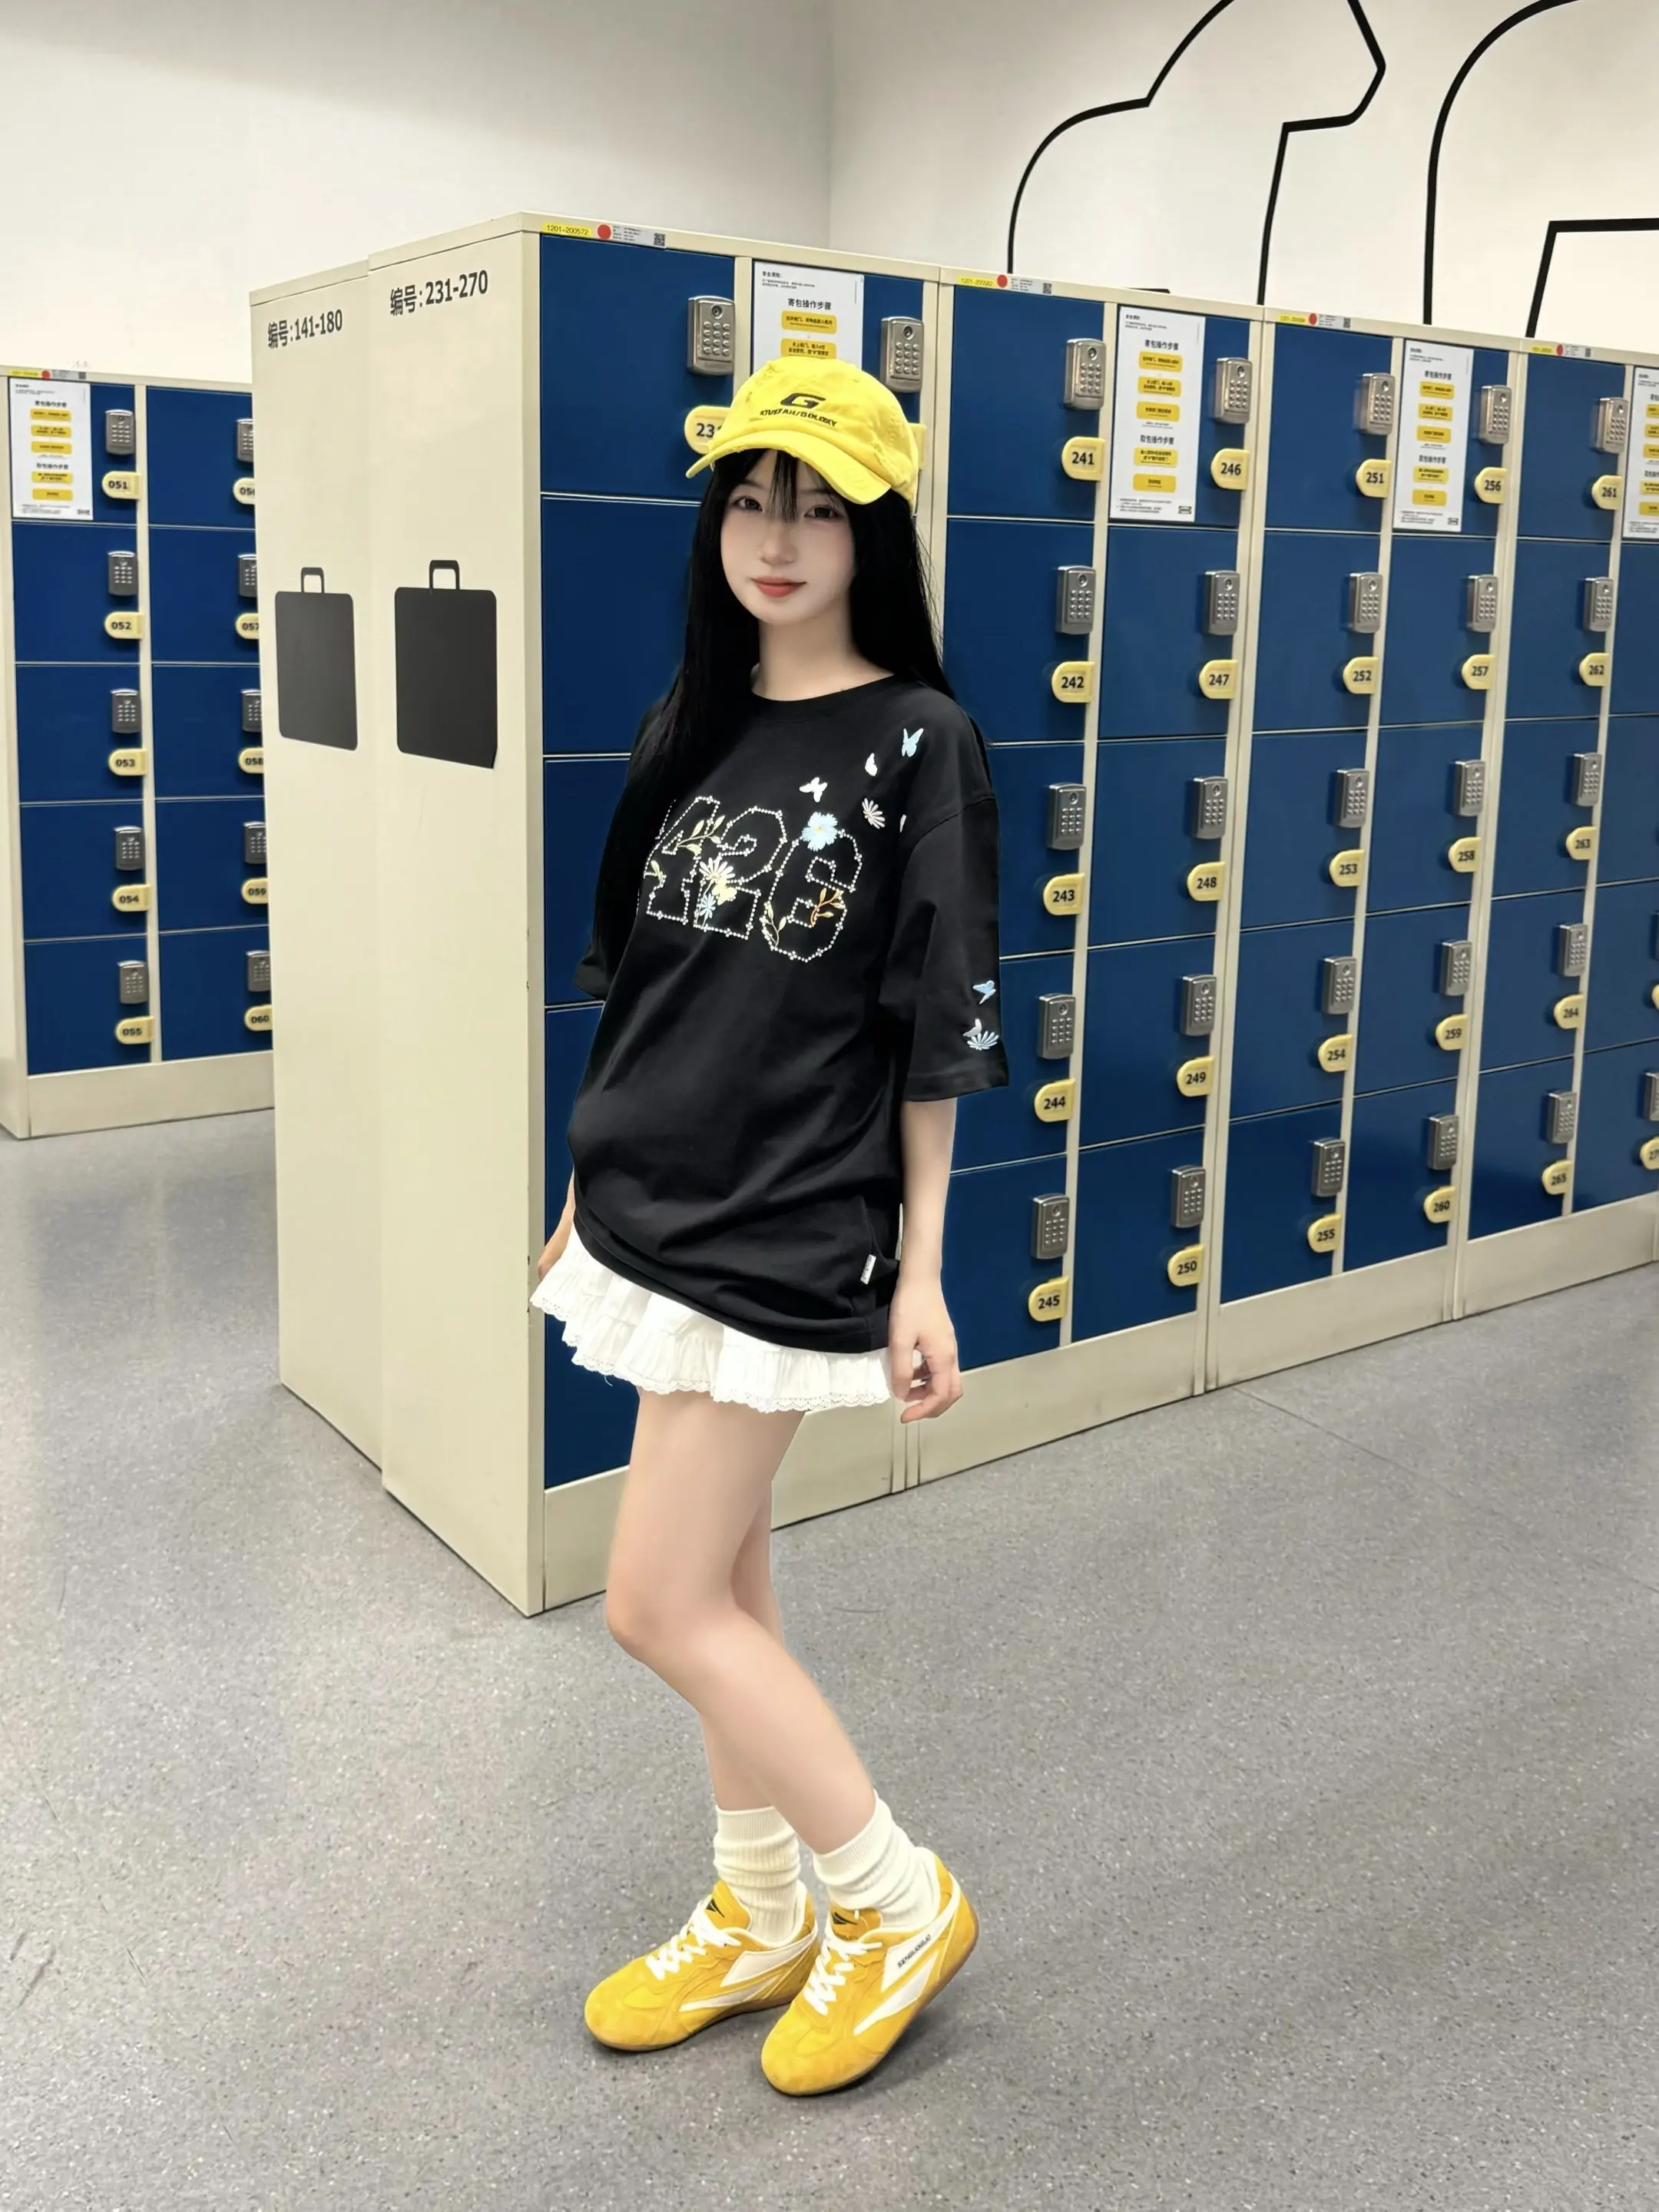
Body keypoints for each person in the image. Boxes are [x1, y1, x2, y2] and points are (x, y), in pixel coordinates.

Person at [531, 356, 1010, 2095]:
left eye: (816, 506)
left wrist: (926, 1272)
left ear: (875, 532)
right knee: (726, 1580)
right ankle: (759, 1909)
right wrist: (582, 1194)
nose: (776, 538)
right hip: (653, 1202)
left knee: (652, 1604)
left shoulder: (921, 741)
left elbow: (936, 1028)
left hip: (789, 1220)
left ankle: (894, 1900)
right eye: (750, 500)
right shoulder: (696, 719)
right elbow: (645, 984)